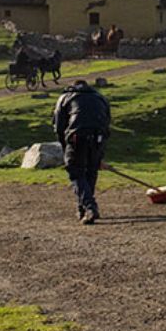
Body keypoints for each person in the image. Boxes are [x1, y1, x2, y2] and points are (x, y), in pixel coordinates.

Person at [53, 80, 111, 225]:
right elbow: (106, 123)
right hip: (98, 136)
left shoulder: (66, 97)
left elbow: (59, 126)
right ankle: (83, 209)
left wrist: (65, 147)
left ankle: (90, 207)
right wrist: (100, 154)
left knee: (76, 171)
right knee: (91, 171)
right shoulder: (99, 97)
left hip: (77, 137)